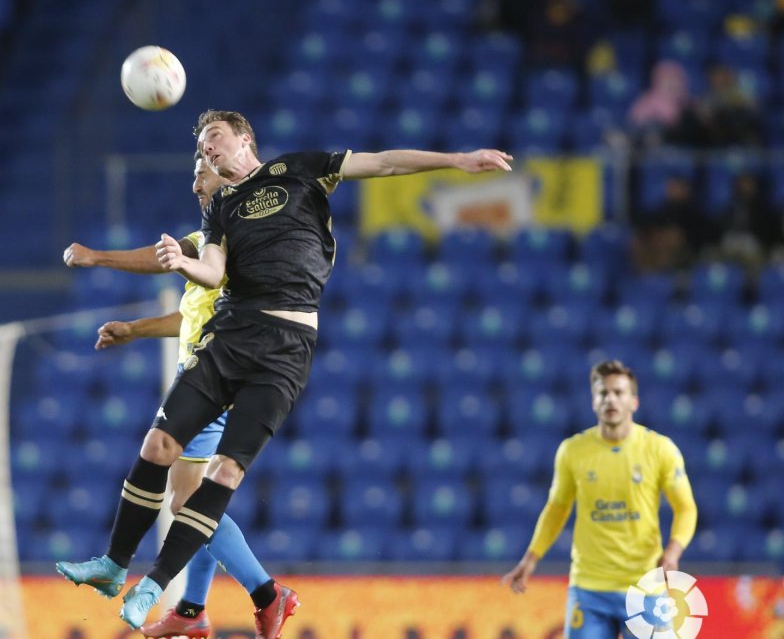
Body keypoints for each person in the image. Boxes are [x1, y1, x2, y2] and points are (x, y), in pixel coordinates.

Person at [57, 109, 512, 634]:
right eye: (201, 149)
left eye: (214, 140)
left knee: (216, 479)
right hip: (228, 338)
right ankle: (135, 576)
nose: (207, 153)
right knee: (163, 455)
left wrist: (456, 159)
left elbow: (384, 163)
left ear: (244, 138)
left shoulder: (300, 169)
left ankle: (176, 593)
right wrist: (178, 268)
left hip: (286, 343)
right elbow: (209, 272)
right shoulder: (219, 210)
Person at [61, 153, 282, 638]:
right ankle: (195, 611)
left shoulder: (224, 240)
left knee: (186, 501)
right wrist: (136, 329)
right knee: (193, 502)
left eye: (202, 171)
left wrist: (97, 257)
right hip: (208, 374)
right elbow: (192, 316)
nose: (195, 182)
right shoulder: (218, 241)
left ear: (226, 178)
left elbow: (161, 260)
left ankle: (262, 593)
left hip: (214, 381)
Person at [501, 360, 697, 638]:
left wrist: (673, 552)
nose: (611, 399)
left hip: (645, 586)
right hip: (589, 588)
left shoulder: (660, 449)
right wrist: (530, 559)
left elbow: (686, 507)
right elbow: (557, 508)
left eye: (619, 392)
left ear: (634, 401)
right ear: (594, 401)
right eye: (603, 393)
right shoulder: (573, 451)